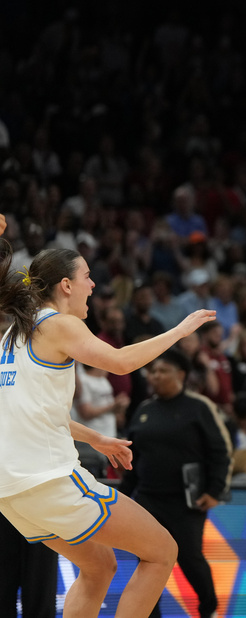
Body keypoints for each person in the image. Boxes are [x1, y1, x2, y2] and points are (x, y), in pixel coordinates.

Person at [0, 242, 216, 617]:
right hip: (49, 480)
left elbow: (32, 413)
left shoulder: (12, 335)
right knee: (162, 551)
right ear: (66, 285)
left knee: (99, 567)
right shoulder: (58, 324)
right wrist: (179, 332)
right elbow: (119, 362)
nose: (93, 284)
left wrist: (96, 438)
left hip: (10, 493)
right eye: (87, 276)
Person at [121, 348, 233, 618]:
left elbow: (221, 452)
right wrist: (123, 496)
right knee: (148, 562)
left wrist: (214, 490)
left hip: (187, 502)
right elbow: (132, 458)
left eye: (163, 371)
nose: (156, 376)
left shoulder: (199, 407)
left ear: (181, 375)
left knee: (190, 559)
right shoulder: (144, 410)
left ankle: (209, 609)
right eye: (153, 371)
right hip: (148, 500)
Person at [0, 213, 59, 618]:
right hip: (10, 477)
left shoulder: (46, 331)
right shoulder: (9, 341)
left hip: (39, 476)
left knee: (40, 584)